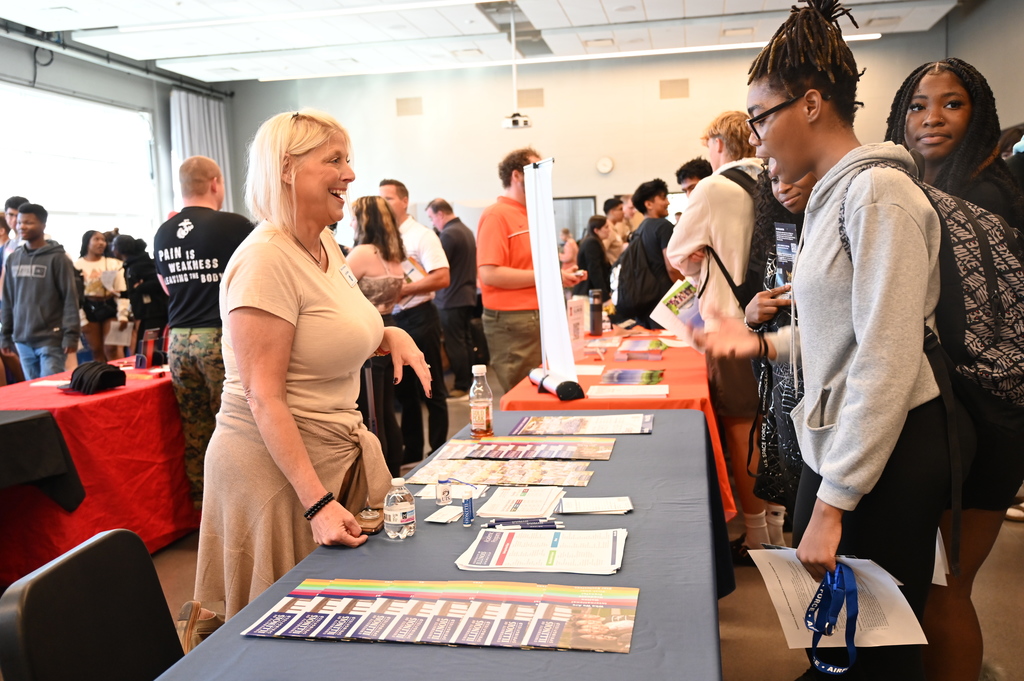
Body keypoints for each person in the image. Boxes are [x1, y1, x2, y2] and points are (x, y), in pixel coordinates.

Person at [702, 2, 964, 677]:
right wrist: (766, 347)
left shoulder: (877, 194)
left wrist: (832, 502)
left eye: (761, 117)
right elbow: (840, 327)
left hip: (886, 446)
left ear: (812, 104)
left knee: (876, 645)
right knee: (848, 636)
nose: (756, 139)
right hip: (851, 440)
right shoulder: (829, 196)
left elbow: (886, 355)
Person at [193, 109, 430, 622]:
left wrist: (389, 333)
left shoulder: (322, 241)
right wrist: (317, 503)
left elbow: (329, 328)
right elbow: (264, 394)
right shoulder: (264, 261)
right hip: (274, 471)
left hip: (325, 453)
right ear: (286, 169)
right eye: (335, 160)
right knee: (283, 627)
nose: (349, 174)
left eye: (349, 160)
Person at [884, 58, 1024, 681]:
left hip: (987, 416)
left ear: (980, 116)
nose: (931, 118)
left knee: (948, 590)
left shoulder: (986, 195)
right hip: (943, 415)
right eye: (917, 105)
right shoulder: (911, 190)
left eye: (952, 104)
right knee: (925, 586)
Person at [666, 111, 765, 563]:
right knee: (774, 423)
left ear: (720, 145)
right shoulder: (776, 178)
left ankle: (759, 536)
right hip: (780, 325)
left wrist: (700, 259)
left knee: (741, 426)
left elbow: (679, 254)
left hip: (729, 324)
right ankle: (778, 522)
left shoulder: (712, 188)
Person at [154, 156, 254, 510]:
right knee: (238, 426)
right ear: (215, 183)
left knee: (195, 429)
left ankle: (203, 506)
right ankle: (240, 505)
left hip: (179, 339)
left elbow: (167, 287)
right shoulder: (235, 225)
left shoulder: (163, 232)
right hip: (220, 336)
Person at [743, 158, 817, 542]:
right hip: (785, 400)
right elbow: (770, 317)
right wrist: (752, 316)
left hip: (826, 404)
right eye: (773, 180)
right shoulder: (780, 237)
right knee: (800, 516)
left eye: (793, 175)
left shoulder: (836, 231)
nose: (783, 187)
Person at [476, 147, 584, 391]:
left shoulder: (531, 214)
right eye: (536, 171)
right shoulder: (497, 215)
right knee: (523, 394)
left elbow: (530, 269)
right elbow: (489, 274)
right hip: (513, 320)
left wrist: (560, 277)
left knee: (543, 392)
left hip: (537, 316)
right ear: (517, 175)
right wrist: (549, 276)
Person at [379, 179, 449, 463]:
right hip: (395, 320)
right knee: (404, 390)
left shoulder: (421, 235)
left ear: (405, 201)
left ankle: (438, 451)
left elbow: (442, 277)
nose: (383, 204)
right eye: (380, 199)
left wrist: (402, 289)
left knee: (431, 388)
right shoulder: (382, 236)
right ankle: (412, 451)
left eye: (389, 199)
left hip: (420, 316)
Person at [347, 195, 407, 477]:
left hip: (368, 336)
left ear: (363, 219)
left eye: (353, 216)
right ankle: (393, 469)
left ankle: (378, 474)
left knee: (370, 412)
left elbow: (334, 290)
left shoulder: (362, 253)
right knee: (383, 410)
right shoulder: (392, 253)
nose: (348, 221)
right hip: (389, 325)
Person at [0, 203, 80, 379]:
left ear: (43, 225)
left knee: (49, 392)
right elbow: (7, 300)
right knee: (33, 394)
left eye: (28, 223)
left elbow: (70, 298)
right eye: (20, 223)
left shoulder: (58, 258)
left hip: (51, 339)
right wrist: (5, 335)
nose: (22, 227)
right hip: (22, 339)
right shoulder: (14, 258)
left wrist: (71, 335)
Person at [425, 198, 477, 400]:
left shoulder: (449, 234)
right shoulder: (465, 230)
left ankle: (461, 386)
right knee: (465, 341)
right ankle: (470, 381)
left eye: (432, 218)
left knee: (456, 343)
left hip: (451, 298)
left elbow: (436, 267)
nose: (433, 223)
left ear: (440, 214)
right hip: (465, 295)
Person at [618, 178, 678, 329]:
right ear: (649, 204)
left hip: (644, 299)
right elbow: (671, 267)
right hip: (665, 299)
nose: (667, 202)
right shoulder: (663, 226)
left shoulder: (639, 230)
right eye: (663, 197)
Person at [75, 230, 130, 363]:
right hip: (88, 307)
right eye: (96, 239)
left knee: (112, 348)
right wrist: (81, 319)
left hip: (110, 305)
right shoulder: (77, 265)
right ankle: (100, 378)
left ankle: (117, 376)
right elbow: (75, 295)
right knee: (96, 350)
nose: (101, 243)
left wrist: (123, 315)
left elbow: (122, 290)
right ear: (87, 242)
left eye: (103, 240)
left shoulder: (114, 263)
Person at [111, 234, 168, 350]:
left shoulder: (140, 264)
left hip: (154, 313)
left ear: (119, 249)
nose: (112, 250)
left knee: (148, 349)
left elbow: (158, 281)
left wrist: (139, 288)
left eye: (113, 246)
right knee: (144, 347)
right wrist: (124, 293)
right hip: (146, 314)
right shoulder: (132, 265)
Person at [572, 215, 612, 301]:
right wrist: (604, 296)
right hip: (587, 293)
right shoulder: (592, 242)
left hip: (589, 293)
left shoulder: (594, 241)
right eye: (606, 227)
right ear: (596, 230)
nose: (609, 230)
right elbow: (594, 270)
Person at [603, 197, 628, 263]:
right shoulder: (608, 230)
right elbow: (602, 250)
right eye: (620, 209)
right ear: (612, 212)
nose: (623, 212)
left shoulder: (614, 228)